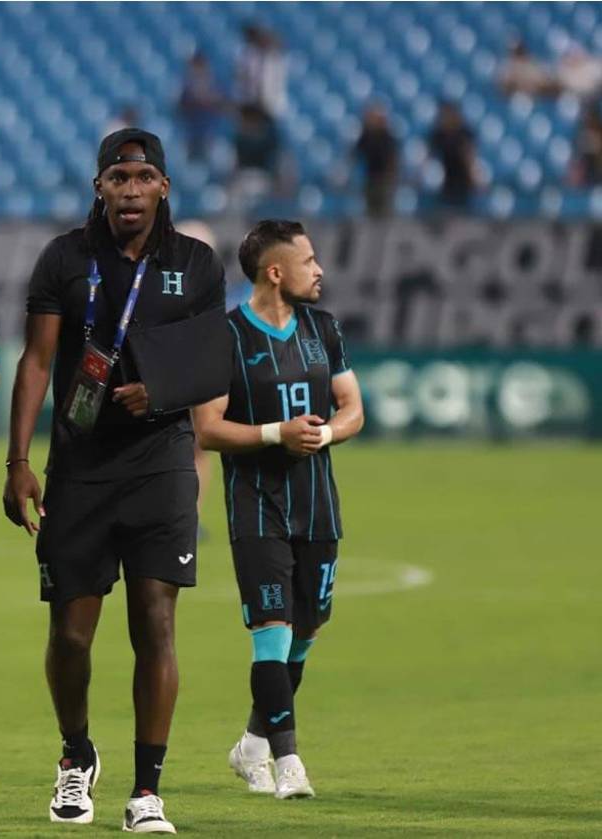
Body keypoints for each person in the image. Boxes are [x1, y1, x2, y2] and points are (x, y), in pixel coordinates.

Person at [3, 128, 227, 834]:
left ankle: (147, 792)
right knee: (71, 634)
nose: (131, 189)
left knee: (156, 625)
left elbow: (210, 363)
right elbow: (38, 361)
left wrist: (157, 394)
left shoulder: (195, 264)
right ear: (99, 186)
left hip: (161, 463)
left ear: (164, 186)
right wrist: (17, 461)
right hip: (81, 465)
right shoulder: (66, 258)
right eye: (118, 177)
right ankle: (76, 756)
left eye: (144, 176)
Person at [191, 220, 364, 801]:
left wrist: (327, 435)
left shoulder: (325, 328)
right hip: (256, 507)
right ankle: (290, 762)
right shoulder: (227, 335)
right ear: (275, 272)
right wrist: (275, 434)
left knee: (307, 630)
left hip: (317, 505)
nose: (318, 270)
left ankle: (253, 744)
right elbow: (208, 428)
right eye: (309, 260)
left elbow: (352, 408)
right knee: (272, 631)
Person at [427, 102, 476, 210]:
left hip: (462, 179)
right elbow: (429, 156)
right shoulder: (438, 135)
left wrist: (472, 174)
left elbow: (470, 156)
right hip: (445, 179)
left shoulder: (464, 134)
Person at [353, 103, 399, 217]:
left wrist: (391, 176)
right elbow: (355, 153)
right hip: (370, 178)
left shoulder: (387, 137)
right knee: (371, 210)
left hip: (384, 179)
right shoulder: (366, 136)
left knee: (384, 210)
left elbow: (392, 158)